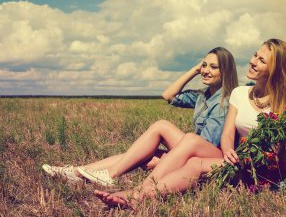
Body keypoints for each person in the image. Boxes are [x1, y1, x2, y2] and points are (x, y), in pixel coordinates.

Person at [94, 38, 286, 208]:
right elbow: (227, 134)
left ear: (276, 68)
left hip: (263, 170)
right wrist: (228, 151)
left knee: (187, 155)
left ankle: (136, 194)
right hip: (236, 159)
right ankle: (139, 194)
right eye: (254, 55)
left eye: (261, 60)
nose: (253, 61)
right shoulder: (239, 93)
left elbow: (284, 154)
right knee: (193, 163)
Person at [42, 47, 238, 186]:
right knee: (140, 156)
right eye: (204, 65)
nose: (205, 70)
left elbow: (206, 142)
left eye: (213, 67)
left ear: (225, 72)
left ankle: (109, 175)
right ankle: (77, 171)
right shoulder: (202, 96)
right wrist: (194, 70)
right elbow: (168, 95)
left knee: (162, 125)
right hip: (191, 149)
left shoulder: (226, 101)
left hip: (209, 157)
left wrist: (174, 155)